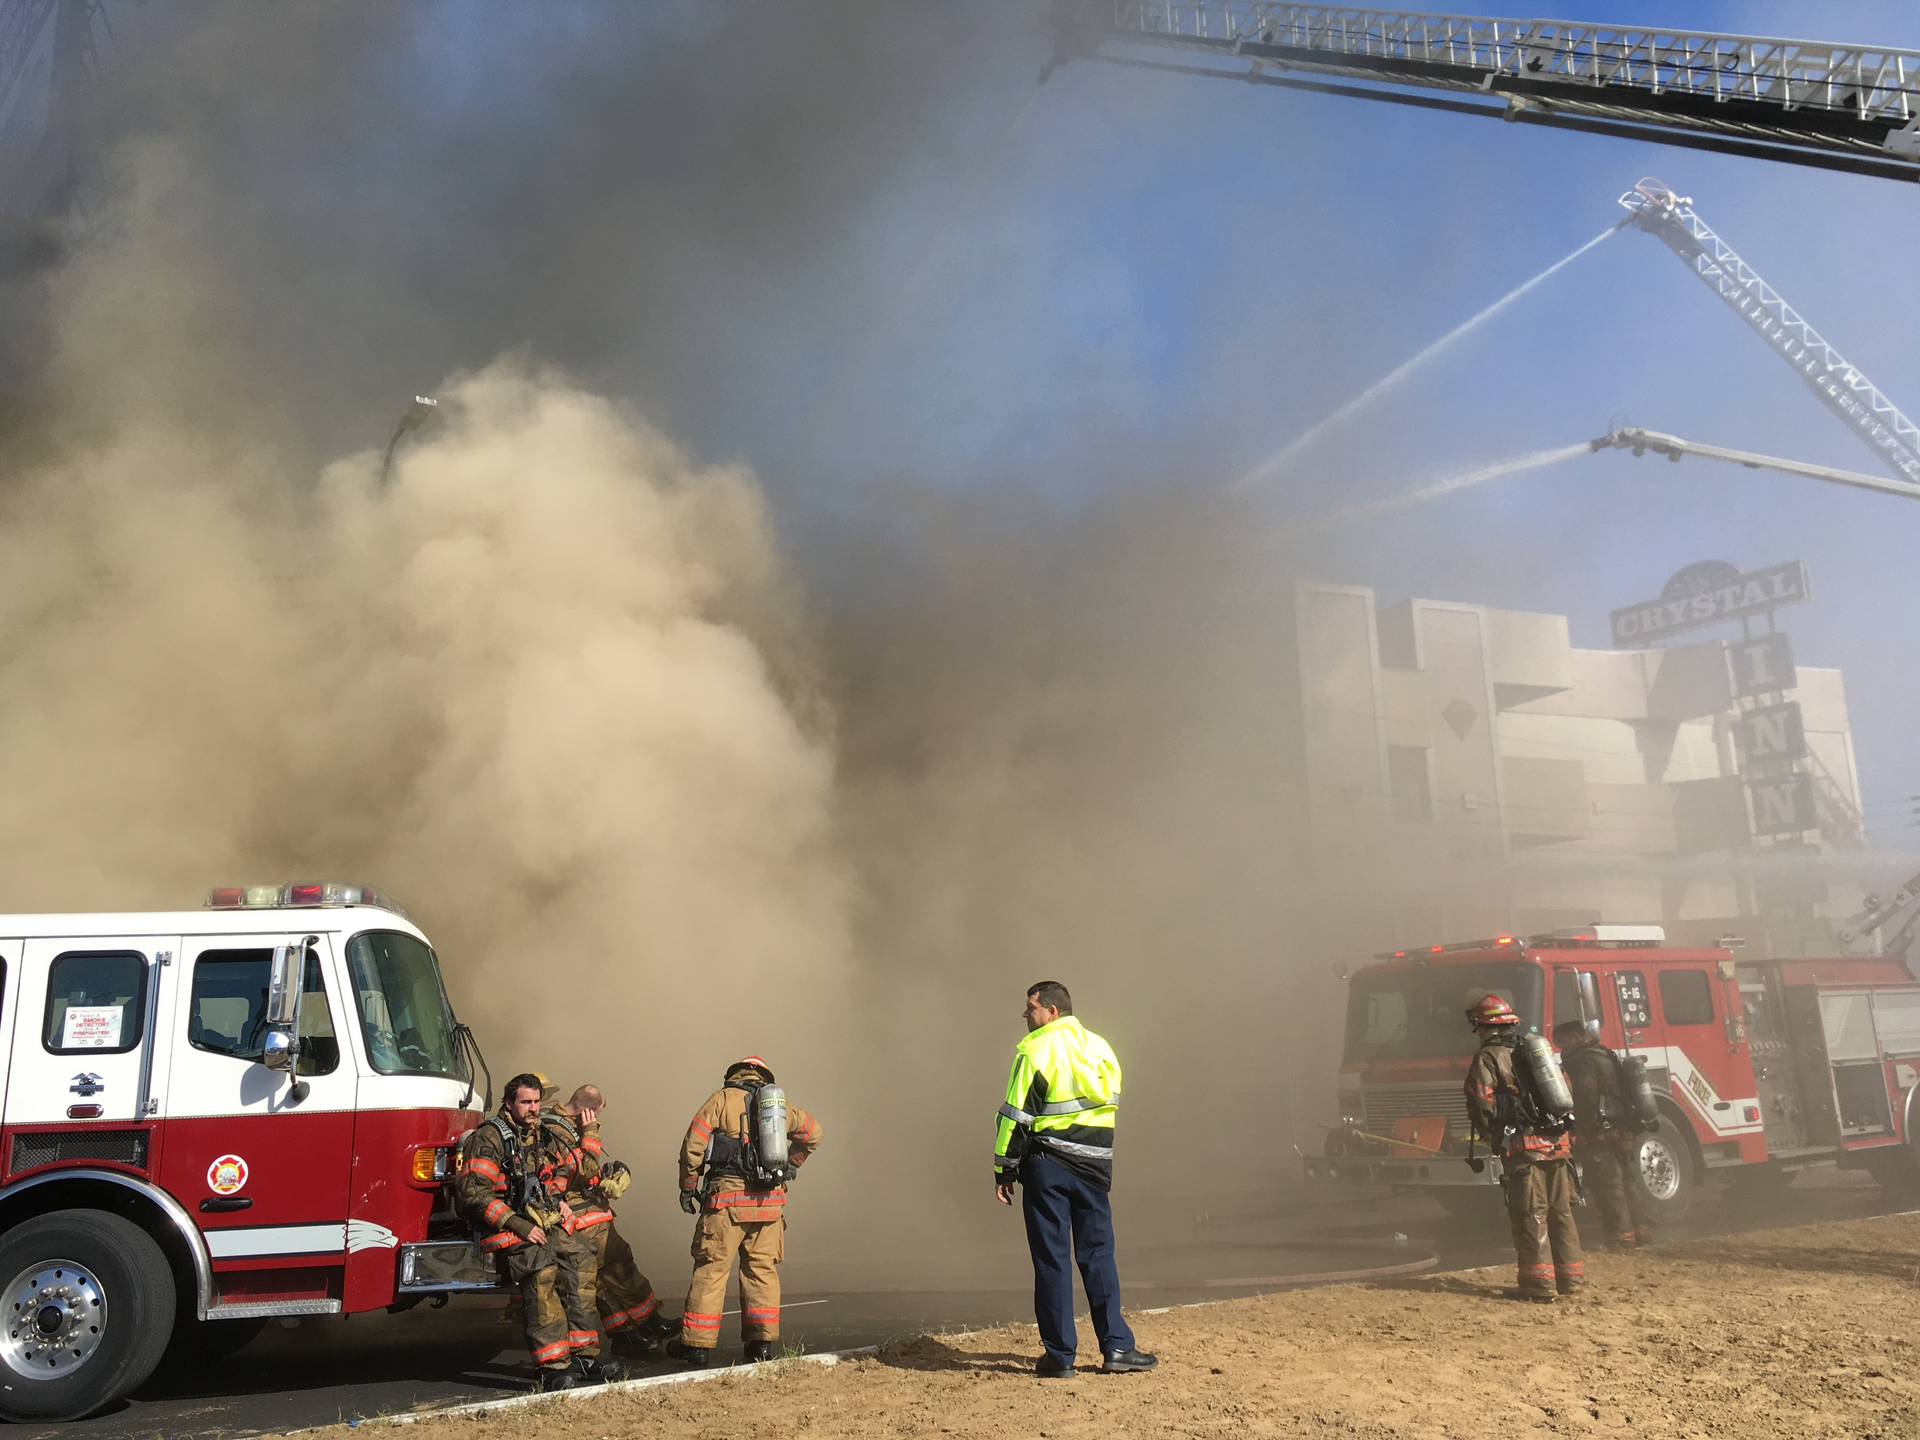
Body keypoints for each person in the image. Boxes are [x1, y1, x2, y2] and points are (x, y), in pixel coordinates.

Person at [993, 981, 1156, 1379]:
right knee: (1098, 1255)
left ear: (1052, 1011)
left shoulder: (1034, 1050)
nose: (1026, 1016)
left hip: (1047, 1166)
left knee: (1052, 1259)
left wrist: (1004, 1168)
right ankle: (1117, 1348)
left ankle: (1060, 1356)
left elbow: (1016, 1115)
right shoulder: (1102, 1048)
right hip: (1095, 1169)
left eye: (1031, 1008)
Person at [455, 1073, 612, 1390]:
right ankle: (551, 1365)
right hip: (504, 1226)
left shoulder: (540, 1133)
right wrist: (520, 1225)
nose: (533, 1108)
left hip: (542, 1220)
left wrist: (558, 1201)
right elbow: (474, 1194)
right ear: (508, 1102)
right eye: (525, 1102)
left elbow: (558, 1174)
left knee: (582, 1259)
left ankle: (583, 1354)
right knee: (543, 1269)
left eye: (537, 1102)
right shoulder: (488, 1138)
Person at [663, 1057, 822, 1368]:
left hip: (727, 1204)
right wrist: (792, 1163)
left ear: (733, 1075)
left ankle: (697, 1346)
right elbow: (814, 1133)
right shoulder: (778, 1106)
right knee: (761, 1271)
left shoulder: (721, 1099)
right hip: (769, 1207)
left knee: (711, 1270)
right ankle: (761, 1344)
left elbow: (692, 1146)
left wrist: (687, 1186)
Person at [539, 1083, 680, 1355]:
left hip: (589, 1214)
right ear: (587, 1112)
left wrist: (611, 1175)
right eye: (597, 1116)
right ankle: (636, 1329)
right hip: (578, 1218)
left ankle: (638, 1327)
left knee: (614, 1271)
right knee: (610, 1271)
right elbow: (582, 1169)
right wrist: (591, 1134)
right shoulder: (558, 1130)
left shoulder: (567, 1127)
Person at [1463, 995, 1584, 1302]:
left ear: (1484, 1027)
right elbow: (1565, 1089)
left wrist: (1493, 1138)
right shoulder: (1537, 1052)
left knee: (1531, 1214)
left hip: (1524, 1149)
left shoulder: (1489, 1057)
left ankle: (1538, 1286)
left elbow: (1480, 1099)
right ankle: (1571, 1280)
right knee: (1561, 1213)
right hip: (1559, 1145)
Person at [1552, 1020, 1653, 1250]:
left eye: (1564, 1041)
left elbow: (1585, 1098)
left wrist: (1579, 1130)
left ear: (1577, 1037)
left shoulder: (1583, 1060)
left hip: (1601, 1134)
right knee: (1626, 1184)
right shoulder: (1603, 1054)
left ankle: (1621, 1239)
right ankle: (1641, 1233)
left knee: (1608, 1187)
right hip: (1620, 1130)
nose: (1561, 1048)